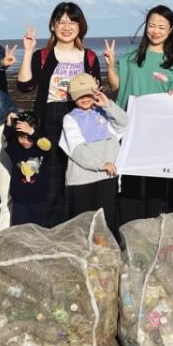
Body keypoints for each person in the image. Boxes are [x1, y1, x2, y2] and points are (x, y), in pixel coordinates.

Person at [16, 2, 101, 227]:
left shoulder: (89, 57)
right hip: (50, 118)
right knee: (51, 182)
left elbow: (96, 92)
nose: (66, 26)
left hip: (80, 119)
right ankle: (51, 232)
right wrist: (27, 52)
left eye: (72, 21)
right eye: (61, 21)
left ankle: (79, 229)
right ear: (52, 26)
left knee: (79, 177)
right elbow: (25, 86)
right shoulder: (43, 55)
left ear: (81, 26)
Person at [104, 5, 173, 223]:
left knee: (155, 185)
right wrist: (111, 66)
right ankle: (128, 233)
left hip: (157, 133)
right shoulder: (132, 55)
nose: (156, 31)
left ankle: (152, 233)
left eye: (162, 27)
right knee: (129, 183)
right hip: (127, 128)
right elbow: (116, 87)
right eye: (152, 25)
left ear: (170, 30)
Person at [59, 74, 127, 234]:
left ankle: (104, 253)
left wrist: (108, 104)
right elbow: (77, 149)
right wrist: (101, 165)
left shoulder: (104, 113)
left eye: (88, 94)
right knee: (83, 223)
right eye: (79, 95)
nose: (85, 98)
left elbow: (125, 123)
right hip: (82, 179)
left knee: (105, 222)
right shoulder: (70, 119)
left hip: (107, 177)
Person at [4, 110, 51, 227]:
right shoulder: (16, 150)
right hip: (19, 200)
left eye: (29, 138)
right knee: (20, 232)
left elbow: (47, 145)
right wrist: (10, 125)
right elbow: (8, 140)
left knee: (39, 231)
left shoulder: (41, 149)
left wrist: (31, 131)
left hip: (39, 200)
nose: (25, 141)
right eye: (21, 137)